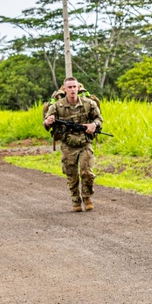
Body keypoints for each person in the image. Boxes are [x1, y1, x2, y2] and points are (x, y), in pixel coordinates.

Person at [42, 77, 101, 212]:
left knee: (87, 172)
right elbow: (46, 123)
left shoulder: (89, 103)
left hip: (85, 143)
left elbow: (99, 119)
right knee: (71, 174)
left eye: (75, 87)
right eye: (69, 87)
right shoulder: (57, 106)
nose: (73, 90)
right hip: (68, 145)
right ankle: (76, 199)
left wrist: (94, 124)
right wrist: (48, 121)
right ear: (65, 89)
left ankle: (87, 197)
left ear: (78, 88)